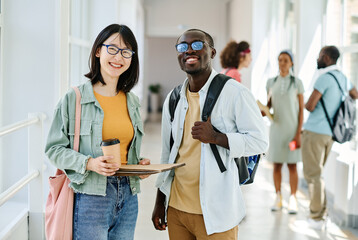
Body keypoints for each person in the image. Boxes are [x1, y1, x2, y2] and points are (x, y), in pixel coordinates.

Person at [151, 29, 268, 239]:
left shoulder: (235, 93)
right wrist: (161, 202)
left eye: (197, 45)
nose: (189, 51)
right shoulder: (174, 98)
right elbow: (167, 154)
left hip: (217, 213)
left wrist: (217, 138)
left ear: (212, 52)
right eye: (182, 47)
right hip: (177, 210)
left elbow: (260, 141)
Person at [45, 24, 150, 240]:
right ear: (98, 51)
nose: (118, 57)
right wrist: (89, 163)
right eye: (112, 48)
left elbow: (124, 151)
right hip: (91, 196)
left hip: (129, 196)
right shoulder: (74, 98)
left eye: (126, 52)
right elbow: (53, 149)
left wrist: (138, 165)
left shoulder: (132, 102)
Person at [303, 45, 358, 229]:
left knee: (313, 174)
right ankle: (321, 213)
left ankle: (316, 217)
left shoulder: (324, 78)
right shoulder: (343, 78)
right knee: (318, 173)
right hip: (330, 134)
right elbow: (355, 94)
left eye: (320, 56)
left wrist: (307, 103)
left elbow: (310, 106)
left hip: (315, 132)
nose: (318, 59)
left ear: (326, 58)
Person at [265, 50, 304, 214]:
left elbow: (301, 109)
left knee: (292, 166)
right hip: (276, 130)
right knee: (276, 165)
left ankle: (293, 199)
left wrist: (298, 133)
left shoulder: (297, 83)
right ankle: (278, 197)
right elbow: (269, 106)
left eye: (286, 60)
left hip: (292, 130)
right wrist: (262, 110)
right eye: (280, 60)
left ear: (291, 63)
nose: (282, 63)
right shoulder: (271, 82)